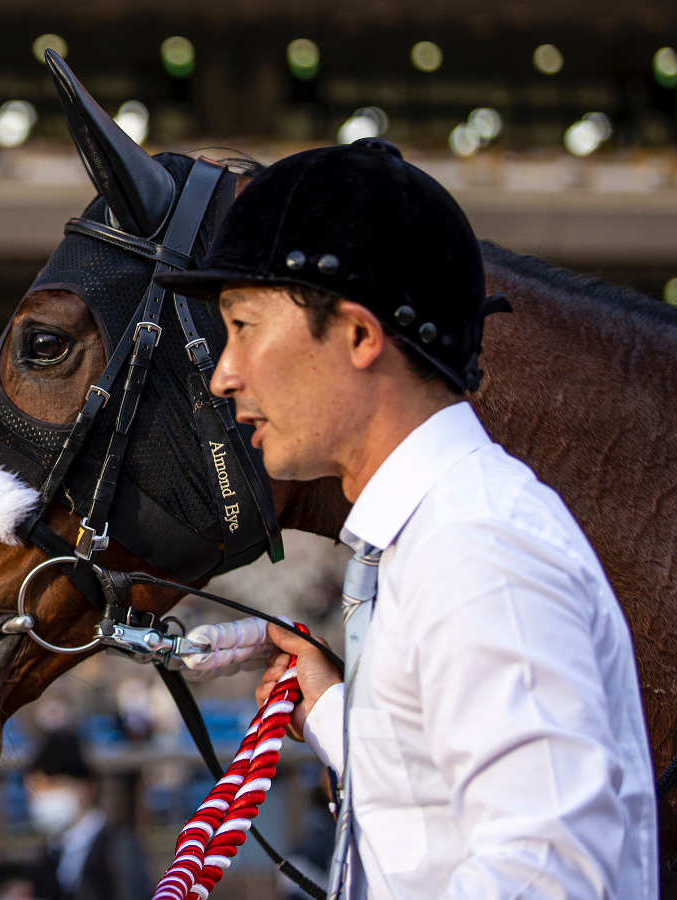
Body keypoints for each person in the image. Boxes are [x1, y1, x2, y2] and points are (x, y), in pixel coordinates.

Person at [156, 138, 657, 898]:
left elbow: (549, 877)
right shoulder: (436, 535)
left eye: (244, 325)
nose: (225, 373)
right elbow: (444, 814)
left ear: (359, 335)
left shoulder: (477, 547)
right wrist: (329, 709)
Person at [0, 732, 150, 900]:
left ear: (86, 787)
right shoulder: (51, 853)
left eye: (52, 784)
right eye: (35, 788)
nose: (41, 796)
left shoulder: (118, 847)